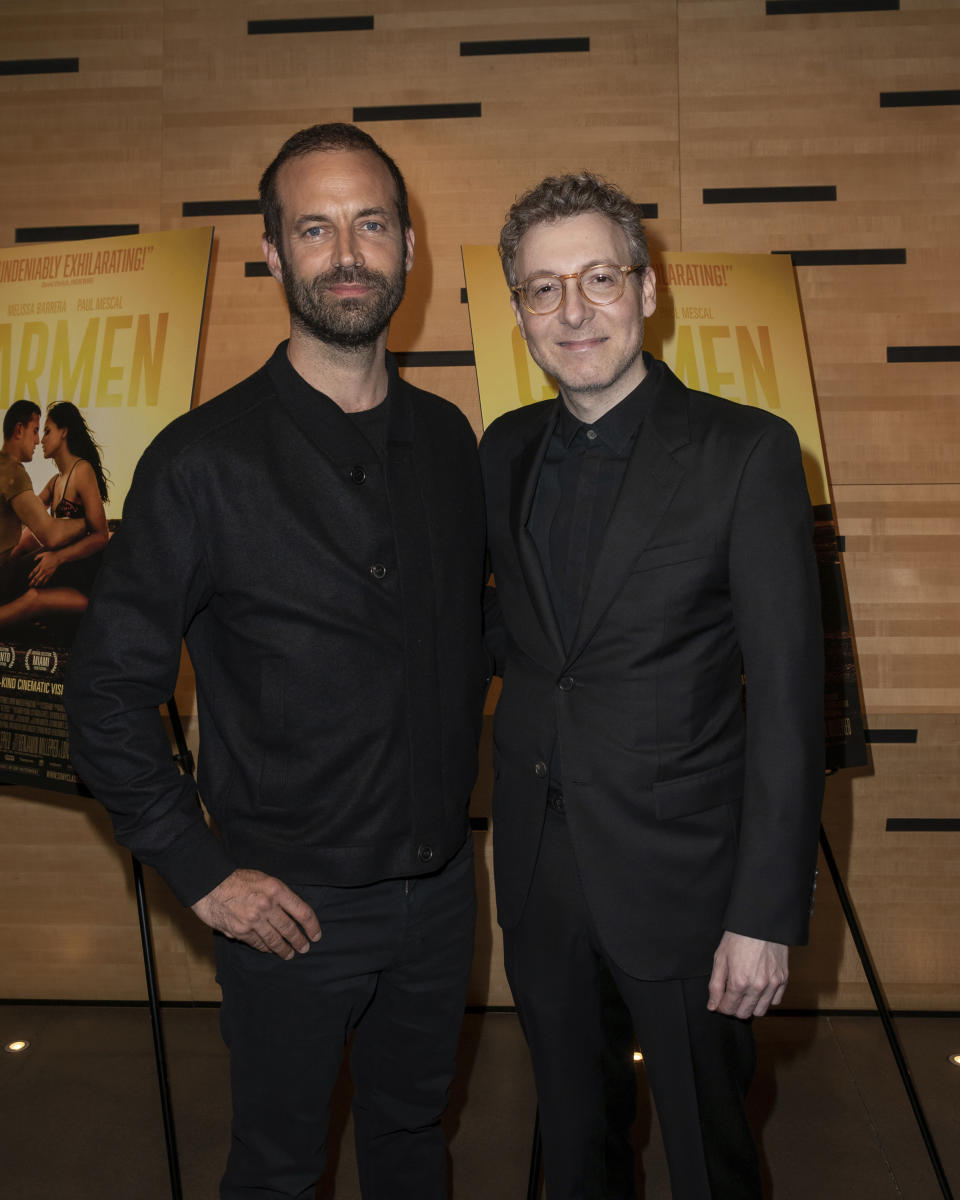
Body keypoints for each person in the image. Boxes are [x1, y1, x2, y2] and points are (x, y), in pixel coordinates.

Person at [65, 123, 488, 1200]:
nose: (348, 250)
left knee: (412, 1145)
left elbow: (471, 647)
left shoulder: (450, 444)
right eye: (315, 227)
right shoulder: (199, 460)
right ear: (271, 251)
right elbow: (107, 695)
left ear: (408, 245)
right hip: (289, 912)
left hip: (442, 899)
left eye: (371, 223)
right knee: (278, 1167)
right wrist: (201, 876)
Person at [479, 172, 824, 1199]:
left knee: (711, 1155)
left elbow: (790, 703)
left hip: (690, 888)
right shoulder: (504, 452)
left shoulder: (747, 453)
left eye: (598, 278)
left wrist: (765, 913)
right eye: (544, 289)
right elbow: (516, 641)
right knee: (575, 1145)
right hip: (541, 875)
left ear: (648, 289)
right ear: (520, 312)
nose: (574, 311)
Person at [0, 399, 86, 618]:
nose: (38, 440)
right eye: (36, 431)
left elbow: (28, 510)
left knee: (28, 539)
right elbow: (53, 536)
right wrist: (87, 524)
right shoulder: (12, 473)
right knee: (61, 558)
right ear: (19, 430)